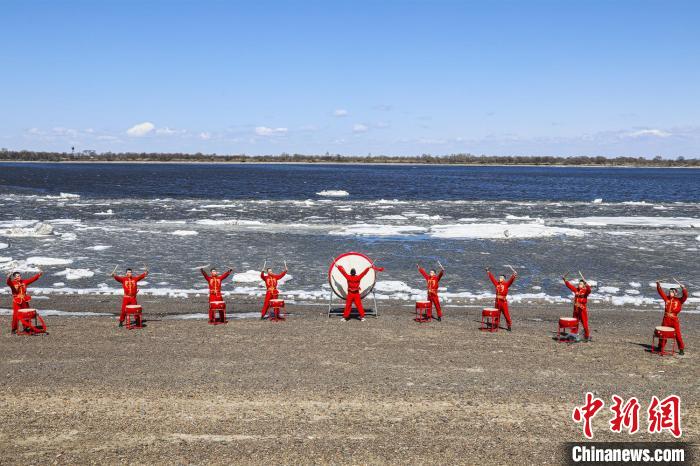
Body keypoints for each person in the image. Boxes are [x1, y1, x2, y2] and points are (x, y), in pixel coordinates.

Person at [656, 281, 688, 355]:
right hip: (666, 319)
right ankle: (660, 347)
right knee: (663, 333)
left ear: (675, 293)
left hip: (674, 320)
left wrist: (683, 288)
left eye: (672, 292)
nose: (670, 293)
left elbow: (685, 296)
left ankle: (681, 349)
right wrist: (658, 285)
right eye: (670, 291)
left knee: (677, 334)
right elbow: (660, 292)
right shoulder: (666, 298)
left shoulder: (680, 300)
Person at [6, 270, 43, 334]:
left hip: (24, 300)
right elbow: (8, 282)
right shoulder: (12, 283)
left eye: (20, 275)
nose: (19, 277)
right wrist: (9, 277)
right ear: (14, 277)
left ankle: (26, 327)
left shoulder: (24, 282)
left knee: (26, 314)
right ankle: (14, 329)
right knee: (16, 315)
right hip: (17, 301)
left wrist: (38, 275)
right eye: (18, 276)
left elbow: (32, 279)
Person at [562, 274, 592, 342]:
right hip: (576, 310)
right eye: (579, 284)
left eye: (581, 284)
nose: (579, 285)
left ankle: (587, 336)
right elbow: (570, 286)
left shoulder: (585, 291)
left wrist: (586, 283)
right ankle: (573, 335)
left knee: (584, 323)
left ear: (584, 285)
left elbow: (589, 290)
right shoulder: (576, 290)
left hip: (582, 310)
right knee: (574, 322)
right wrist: (565, 280)